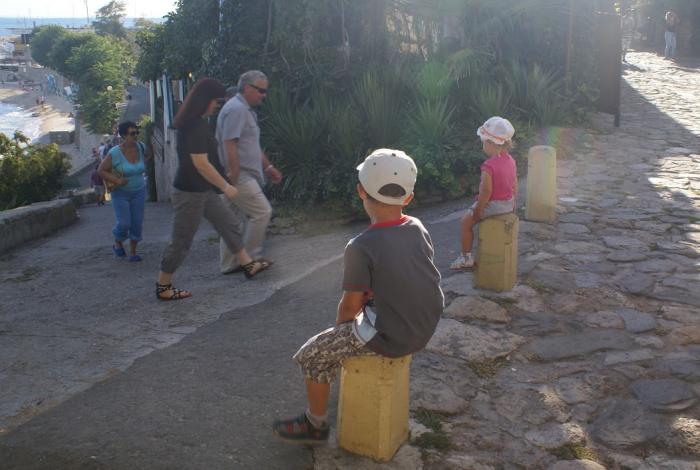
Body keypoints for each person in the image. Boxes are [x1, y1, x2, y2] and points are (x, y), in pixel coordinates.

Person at [272, 149, 444, 444]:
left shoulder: (361, 245)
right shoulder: (417, 227)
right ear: (408, 198)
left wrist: (339, 336)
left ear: (360, 191)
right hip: (425, 326)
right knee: (352, 329)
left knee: (313, 354)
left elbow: (350, 306)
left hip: (394, 337)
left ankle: (315, 424)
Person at [156, 78, 272, 301]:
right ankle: (163, 285)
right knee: (181, 240)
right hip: (190, 193)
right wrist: (226, 186)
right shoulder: (195, 126)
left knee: (229, 224)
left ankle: (248, 264)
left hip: (203, 190)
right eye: (216, 101)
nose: (217, 106)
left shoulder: (196, 122)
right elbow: (201, 163)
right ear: (205, 100)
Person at [215, 70, 282, 275]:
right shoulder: (237, 109)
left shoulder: (243, 110)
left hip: (238, 174)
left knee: (232, 220)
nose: (264, 95)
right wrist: (234, 175)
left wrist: (268, 167)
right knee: (262, 212)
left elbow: (251, 145)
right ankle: (251, 260)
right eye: (260, 90)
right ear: (246, 88)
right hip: (239, 174)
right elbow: (230, 143)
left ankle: (230, 263)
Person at [450, 116, 517, 270]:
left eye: (484, 142)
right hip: (508, 203)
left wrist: (479, 209)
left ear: (491, 143)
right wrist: (514, 202)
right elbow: (514, 183)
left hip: (493, 205)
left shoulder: (488, 166)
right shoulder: (511, 161)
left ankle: (466, 256)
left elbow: (486, 191)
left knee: (465, 222)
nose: (483, 146)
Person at [98, 121, 148, 261]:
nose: (136, 135)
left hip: (139, 191)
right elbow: (101, 170)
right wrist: (117, 180)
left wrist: (141, 166)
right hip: (120, 193)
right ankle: (118, 241)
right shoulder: (115, 152)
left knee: (137, 223)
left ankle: (133, 252)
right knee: (124, 223)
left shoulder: (141, 147)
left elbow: (147, 157)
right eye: (132, 133)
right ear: (124, 135)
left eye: (137, 132)